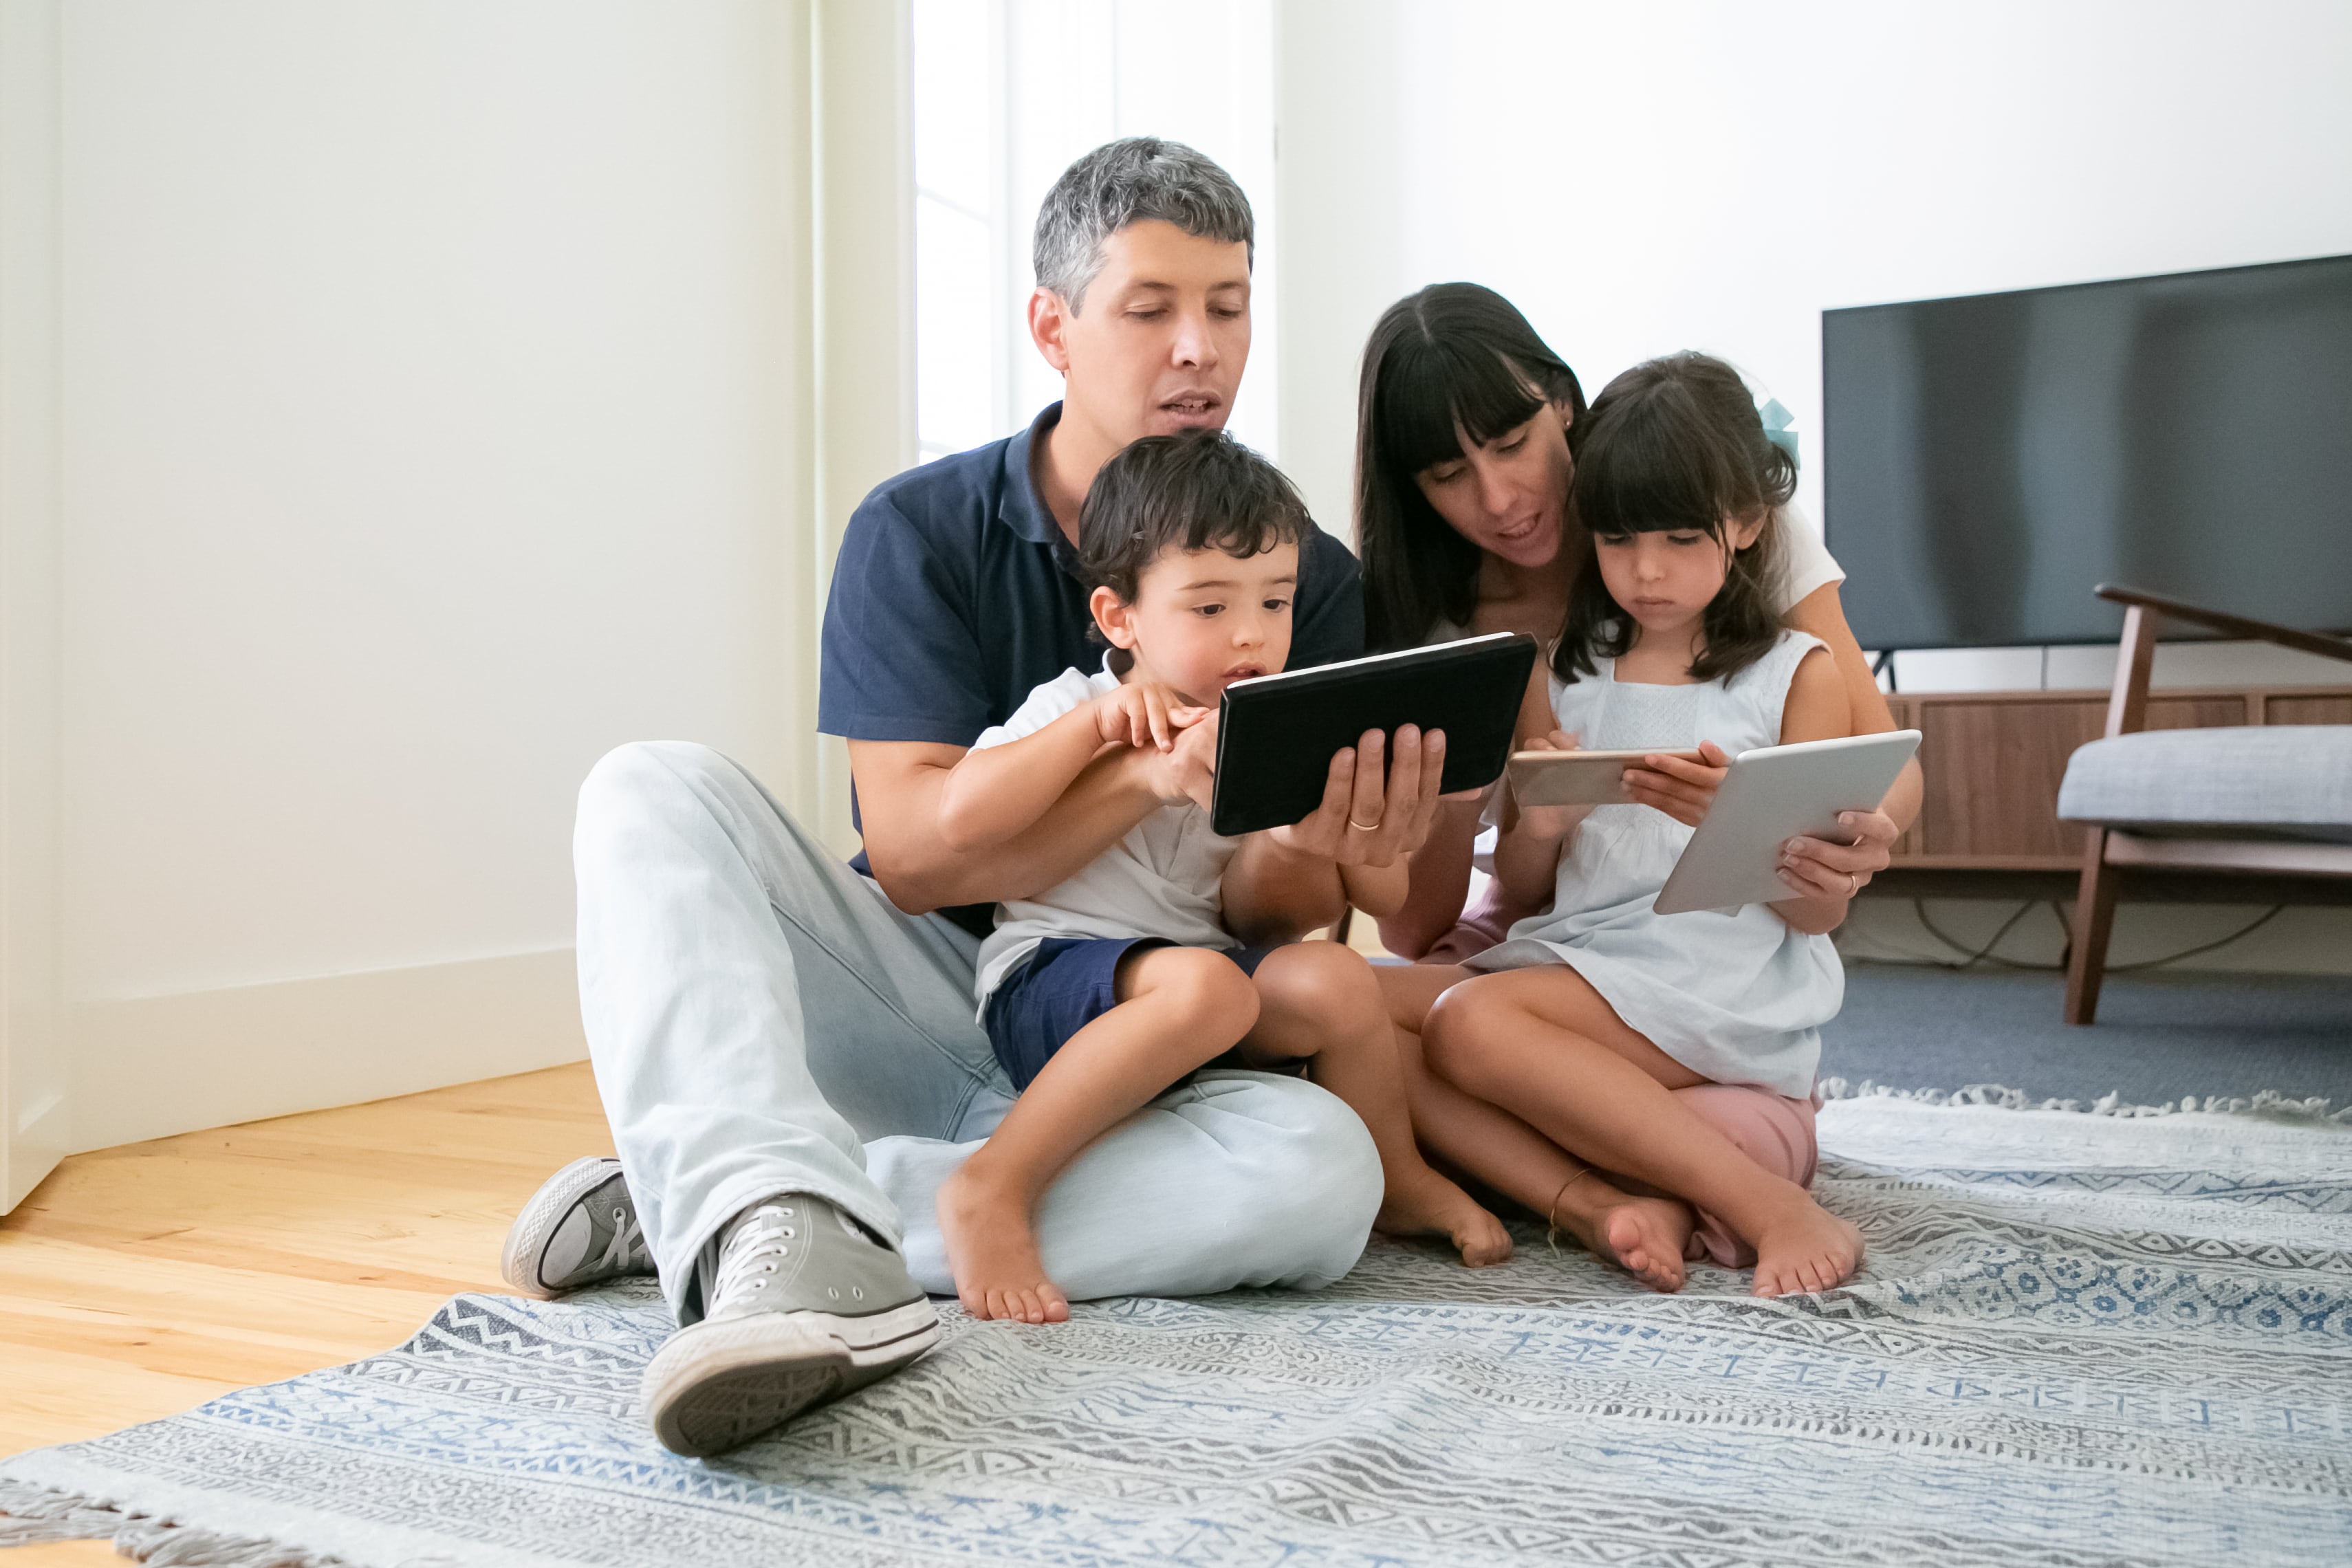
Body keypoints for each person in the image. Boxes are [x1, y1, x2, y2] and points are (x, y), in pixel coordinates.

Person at [496, 138, 1453, 1458]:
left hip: (1144, 1046)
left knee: (1323, 1182)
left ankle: (733, 1200)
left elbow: (1281, 922)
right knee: (647, 788)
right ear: (1053, 330)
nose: (1199, 349)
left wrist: (1330, 845)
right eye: (1153, 308)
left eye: (1228, 309)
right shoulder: (921, 528)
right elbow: (918, 861)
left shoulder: (1298, 573)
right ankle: (766, 1212)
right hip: (923, 991)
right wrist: (1146, 774)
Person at [937, 431, 1511, 1323]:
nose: (1252, 634)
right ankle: (993, 1182)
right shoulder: (1076, 708)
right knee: (1208, 987)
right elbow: (961, 816)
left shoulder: (1278, 728)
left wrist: (1367, 828)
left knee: (1335, 977)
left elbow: (1385, 901)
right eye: (1209, 608)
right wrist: (1100, 738)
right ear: (1119, 617)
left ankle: (1396, 1179)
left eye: (1276, 602)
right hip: (1052, 977)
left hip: (1203, 993)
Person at [1380, 353, 1864, 1298]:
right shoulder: (1557, 671)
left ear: (1748, 523)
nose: (1646, 572)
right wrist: (1544, 825)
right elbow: (1520, 892)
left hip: (1716, 984)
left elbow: (1816, 920)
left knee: (1469, 1024)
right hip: (1580, 962)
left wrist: (1746, 829)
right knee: (1341, 1009)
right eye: (1617, 540)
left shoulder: (1799, 676)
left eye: (1682, 539)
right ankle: (1612, 1202)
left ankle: (1765, 1205)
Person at [1351, 283, 1919, 965]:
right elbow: (1414, 929)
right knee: (1360, 1009)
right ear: (1412, 491)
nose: (1499, 499)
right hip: (1545, 919)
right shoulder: (1445, 627)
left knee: (1456, 1031)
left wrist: (1843, 840)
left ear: (1562, 402)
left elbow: (1887, 762)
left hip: (1713, 936)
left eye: (1511, 443)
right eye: (1449, 474)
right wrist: (1478, 798)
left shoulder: (1711, 510)